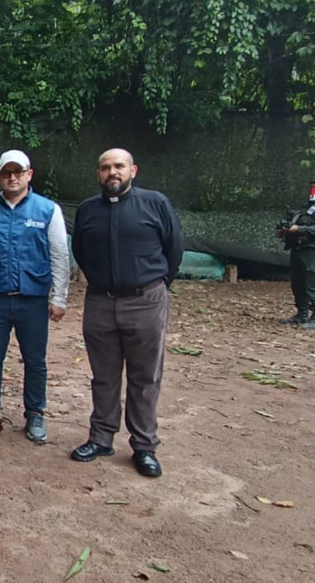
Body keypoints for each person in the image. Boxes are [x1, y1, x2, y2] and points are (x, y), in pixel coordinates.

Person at [70, 149, 182, 478]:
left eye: (118, 166)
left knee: (145, 378)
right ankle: (101, 438)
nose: (112, 173)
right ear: (98, 174)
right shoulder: (88, 210)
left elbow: (173, 248)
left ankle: (144, 446)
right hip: (101, 303)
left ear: (133, 169)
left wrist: (157, 285)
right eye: (105, 168)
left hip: (145, 300)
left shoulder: (155, 203)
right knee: (103, 376)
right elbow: (81, 251)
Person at [0, 150, 70, 444]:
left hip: (32, 300)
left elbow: (59, 255)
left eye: (18, 172)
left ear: (29, 174)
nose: (12, 178)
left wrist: (58, 298)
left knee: (35, 360)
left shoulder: (48, 210)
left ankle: (35, 413)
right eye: (7, 173)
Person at [277, 175, 315, 330]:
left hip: (314, 250)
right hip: (298, 248)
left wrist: (302, 229)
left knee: (314, 283)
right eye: (312, 187)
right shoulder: (307, 207)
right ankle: (301, 314)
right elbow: (296, 224)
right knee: (298, 283)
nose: (313, 190)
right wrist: (287, 231)